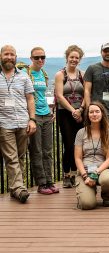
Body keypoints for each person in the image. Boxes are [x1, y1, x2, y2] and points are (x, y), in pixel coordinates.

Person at [0, 44, 36, 203]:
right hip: (4, 123)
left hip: (22, 121)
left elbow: (30, 99)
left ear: (16, 57)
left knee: (20, 157)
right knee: (12, 157)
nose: (9, 57)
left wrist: (32, 119)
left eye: (12, 54)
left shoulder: (23, 76)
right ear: (1, 56)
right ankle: (20, 189)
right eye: (6, 54)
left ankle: (15, 189)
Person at [26, 47, 58, 194]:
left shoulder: (43, 74)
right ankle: (41, 183)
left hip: (46, 114)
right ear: (31, 58)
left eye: (43, 57)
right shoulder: (26, 74)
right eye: (37, 57)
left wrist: (51, 110)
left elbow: (42, 95)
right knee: (36, 150)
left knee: (47, 150)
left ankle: (49, 180)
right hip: (35, 116)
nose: (40, 60)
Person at [74, 101, 109, 210]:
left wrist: (95, 174)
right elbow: (78, 158)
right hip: (84, 170)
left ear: (102, 113)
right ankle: (89, 190)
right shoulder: (81, 132)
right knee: (87, 205)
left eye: (97, 111)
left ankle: (107, 195)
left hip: (102, 169)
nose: (94, 114)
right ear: (87, 115)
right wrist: (85, 175)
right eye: (91, 112)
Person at [55, 45, 85, 189]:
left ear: (80, 60)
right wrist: (73, 110)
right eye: (71, 57)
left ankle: (74, 173)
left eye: (76, 58)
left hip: (80, 112)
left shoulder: (82, 75)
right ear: (67, 57)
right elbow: (60, 96)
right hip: (65, 113)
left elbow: (87, 94)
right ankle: (66, 174)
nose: (74, 59)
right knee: (68, 144)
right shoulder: (60, 75)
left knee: (78, 144)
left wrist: (81, 109)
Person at [83, 43, 109, 129]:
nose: (108, 53)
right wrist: (88, 110)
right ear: (101, 52)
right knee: (94, 140)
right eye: (105, 51)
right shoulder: (92, 68)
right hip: (95, 113)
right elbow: (87, 91)